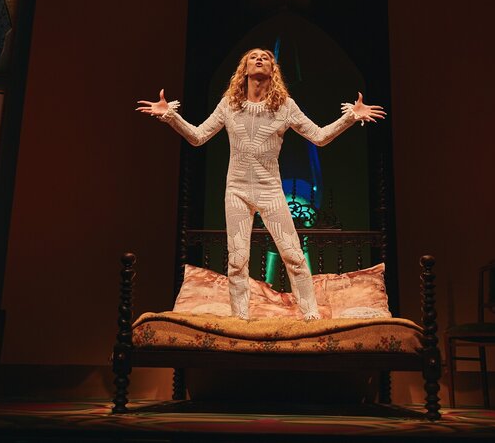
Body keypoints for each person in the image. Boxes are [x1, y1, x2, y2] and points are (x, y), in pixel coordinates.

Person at [137, 49, 385, 319]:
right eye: (253, 57)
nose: (259, 59)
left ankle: (311, 315)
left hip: (271, 192)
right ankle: (240, 319)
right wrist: (170, 116)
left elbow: (319, 136)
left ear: (272, 70)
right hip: (237, 191)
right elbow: (198, 137)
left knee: (294, 255)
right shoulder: (229, 105)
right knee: (237, 260)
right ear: (244, 69)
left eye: (265, 57)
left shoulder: (285, 106)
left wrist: (350, 117)